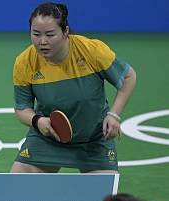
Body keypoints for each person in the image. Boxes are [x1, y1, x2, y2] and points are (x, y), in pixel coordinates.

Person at [11, 2, 137, 173]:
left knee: (102, 198)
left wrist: (114, 115)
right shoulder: (25, 62)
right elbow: (22, 108)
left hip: (94, 140)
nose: (42, 41)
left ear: (65, 32)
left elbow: (129, 77)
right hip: (48, 139)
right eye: (36, 34)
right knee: (18, 187)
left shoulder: (91, 51)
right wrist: (38, 121)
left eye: (50, 34)